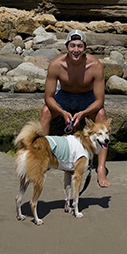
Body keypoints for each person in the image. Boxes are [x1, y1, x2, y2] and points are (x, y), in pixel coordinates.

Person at [40, 29, 111, 188]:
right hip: (64, 96)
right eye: (72, 45)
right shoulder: (56, 65)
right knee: (45, 112)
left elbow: (99, 100)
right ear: (67, 46)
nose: (76, 50)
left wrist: (83, 113)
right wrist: (62, 112)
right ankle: (42, 158)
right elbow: (48, 97)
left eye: (80, 46)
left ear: (85, 47)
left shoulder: (95, 66)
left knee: (101, 114)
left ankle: (100, 168)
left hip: (86, 98)